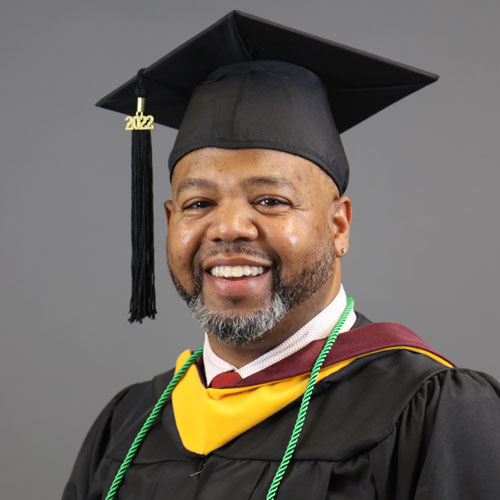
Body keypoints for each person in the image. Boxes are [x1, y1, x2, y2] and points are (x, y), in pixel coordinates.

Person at [63, 11, 500, 500]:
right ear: (170, 222)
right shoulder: (129, 423)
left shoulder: (430, 410)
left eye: (270, 201)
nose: (227, 228)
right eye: (199, 203)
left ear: (338, 226)